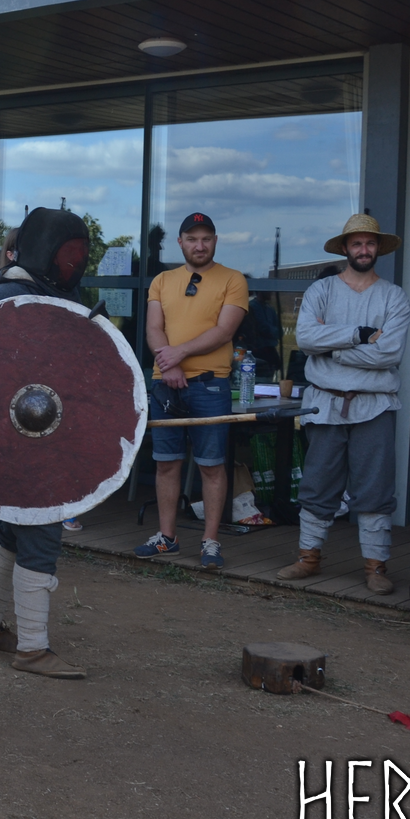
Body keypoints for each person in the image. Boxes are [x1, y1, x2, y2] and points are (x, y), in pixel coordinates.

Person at [0, 207, 92, 677]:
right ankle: (33, 648)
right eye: (68, 253)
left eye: (80, 254)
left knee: (12, 528)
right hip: (14, 440)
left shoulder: (57, 294)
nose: (75, 264)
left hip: (45, 438)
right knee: (41, 528)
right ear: (45, 251)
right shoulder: (6, 297)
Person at [277, 214, 410, 595]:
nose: (363, 249)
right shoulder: (321, 291)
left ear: (378, 248)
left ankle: (375, 566)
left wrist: (333, 350)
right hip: (327, 402)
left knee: (375, 488)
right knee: (318, 483)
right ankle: (308, 557)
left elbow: (389, 353)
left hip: (375, 403)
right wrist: (359, 335)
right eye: (357, 243)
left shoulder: (394, 297)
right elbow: (306, 339)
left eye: (370, 243)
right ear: (345, 248)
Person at [134, 212, 247, 568]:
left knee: (211, 465)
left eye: (206, 238)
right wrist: (169, 365)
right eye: (192, 239)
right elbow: (154, 328)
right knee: (166, 463)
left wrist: (179, 354)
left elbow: (224, 331)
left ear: (215, 241)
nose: (200, 245)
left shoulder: (233, 279)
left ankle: (210, 541)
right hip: (165, 384)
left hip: (210, 385)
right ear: (180, 242)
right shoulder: (162, 280)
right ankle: (167, 538)